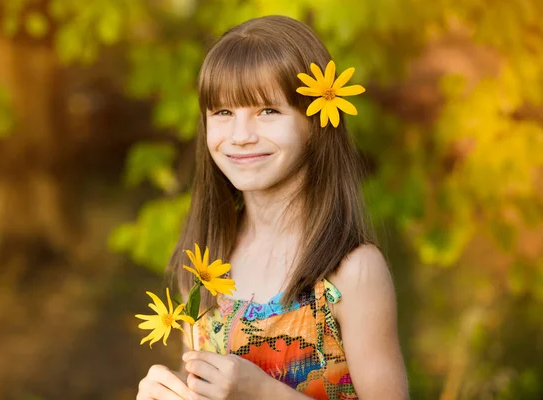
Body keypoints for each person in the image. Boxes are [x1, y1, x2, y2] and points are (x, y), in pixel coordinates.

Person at [137, 15, 408, 400]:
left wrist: (263, 393)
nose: (241, 136)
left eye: (267, 111)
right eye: (223, 113)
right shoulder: (204, 265)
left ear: (315, 124)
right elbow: (200, 383)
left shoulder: (353, 273)